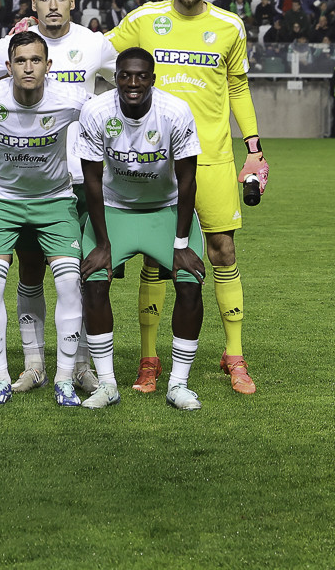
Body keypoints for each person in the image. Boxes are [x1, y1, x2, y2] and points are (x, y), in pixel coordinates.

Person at [107, 0, 266, 395]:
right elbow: (95, 55)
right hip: (156, 161)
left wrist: (253, 147)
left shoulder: (229, 26)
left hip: (212, 157)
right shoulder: (144, 20)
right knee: (156, 258)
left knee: (222, 251)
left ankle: (234, 354)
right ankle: (149, 359)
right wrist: (43, 34)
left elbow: (238, 86)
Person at [0, 0, 116, 395]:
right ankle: (34, 365)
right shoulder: (15, 44)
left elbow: (123, 85)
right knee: (29, 272)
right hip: (23, 183)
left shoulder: (93, 43)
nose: (53, 5)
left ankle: (79, 366)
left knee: (82, 277)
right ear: (34, 4)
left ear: (72, 2)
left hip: (79, 179)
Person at [77, 46, 208, 411]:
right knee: (93, 281)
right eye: (124, 75)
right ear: (115, 78)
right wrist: (103, 243)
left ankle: (178, 385)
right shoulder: (96, 111)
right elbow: (91, 181)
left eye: (140, 76)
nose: (132, 83)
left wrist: (180, 244)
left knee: (190, 283)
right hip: (114, 208)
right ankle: (107, 385)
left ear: (153, 79)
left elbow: (188, 181)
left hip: (165, 209)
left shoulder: (175, 111)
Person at [0, 31, 90, 405]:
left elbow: (107, 114)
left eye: (36, 60)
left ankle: (64, 379)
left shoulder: (69, 98)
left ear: (48, 66)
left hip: (55, 201)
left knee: (69, 283)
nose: (28, 67)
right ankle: (0, 380)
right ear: (8, 66)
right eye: (20, 61)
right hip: (0, 201)